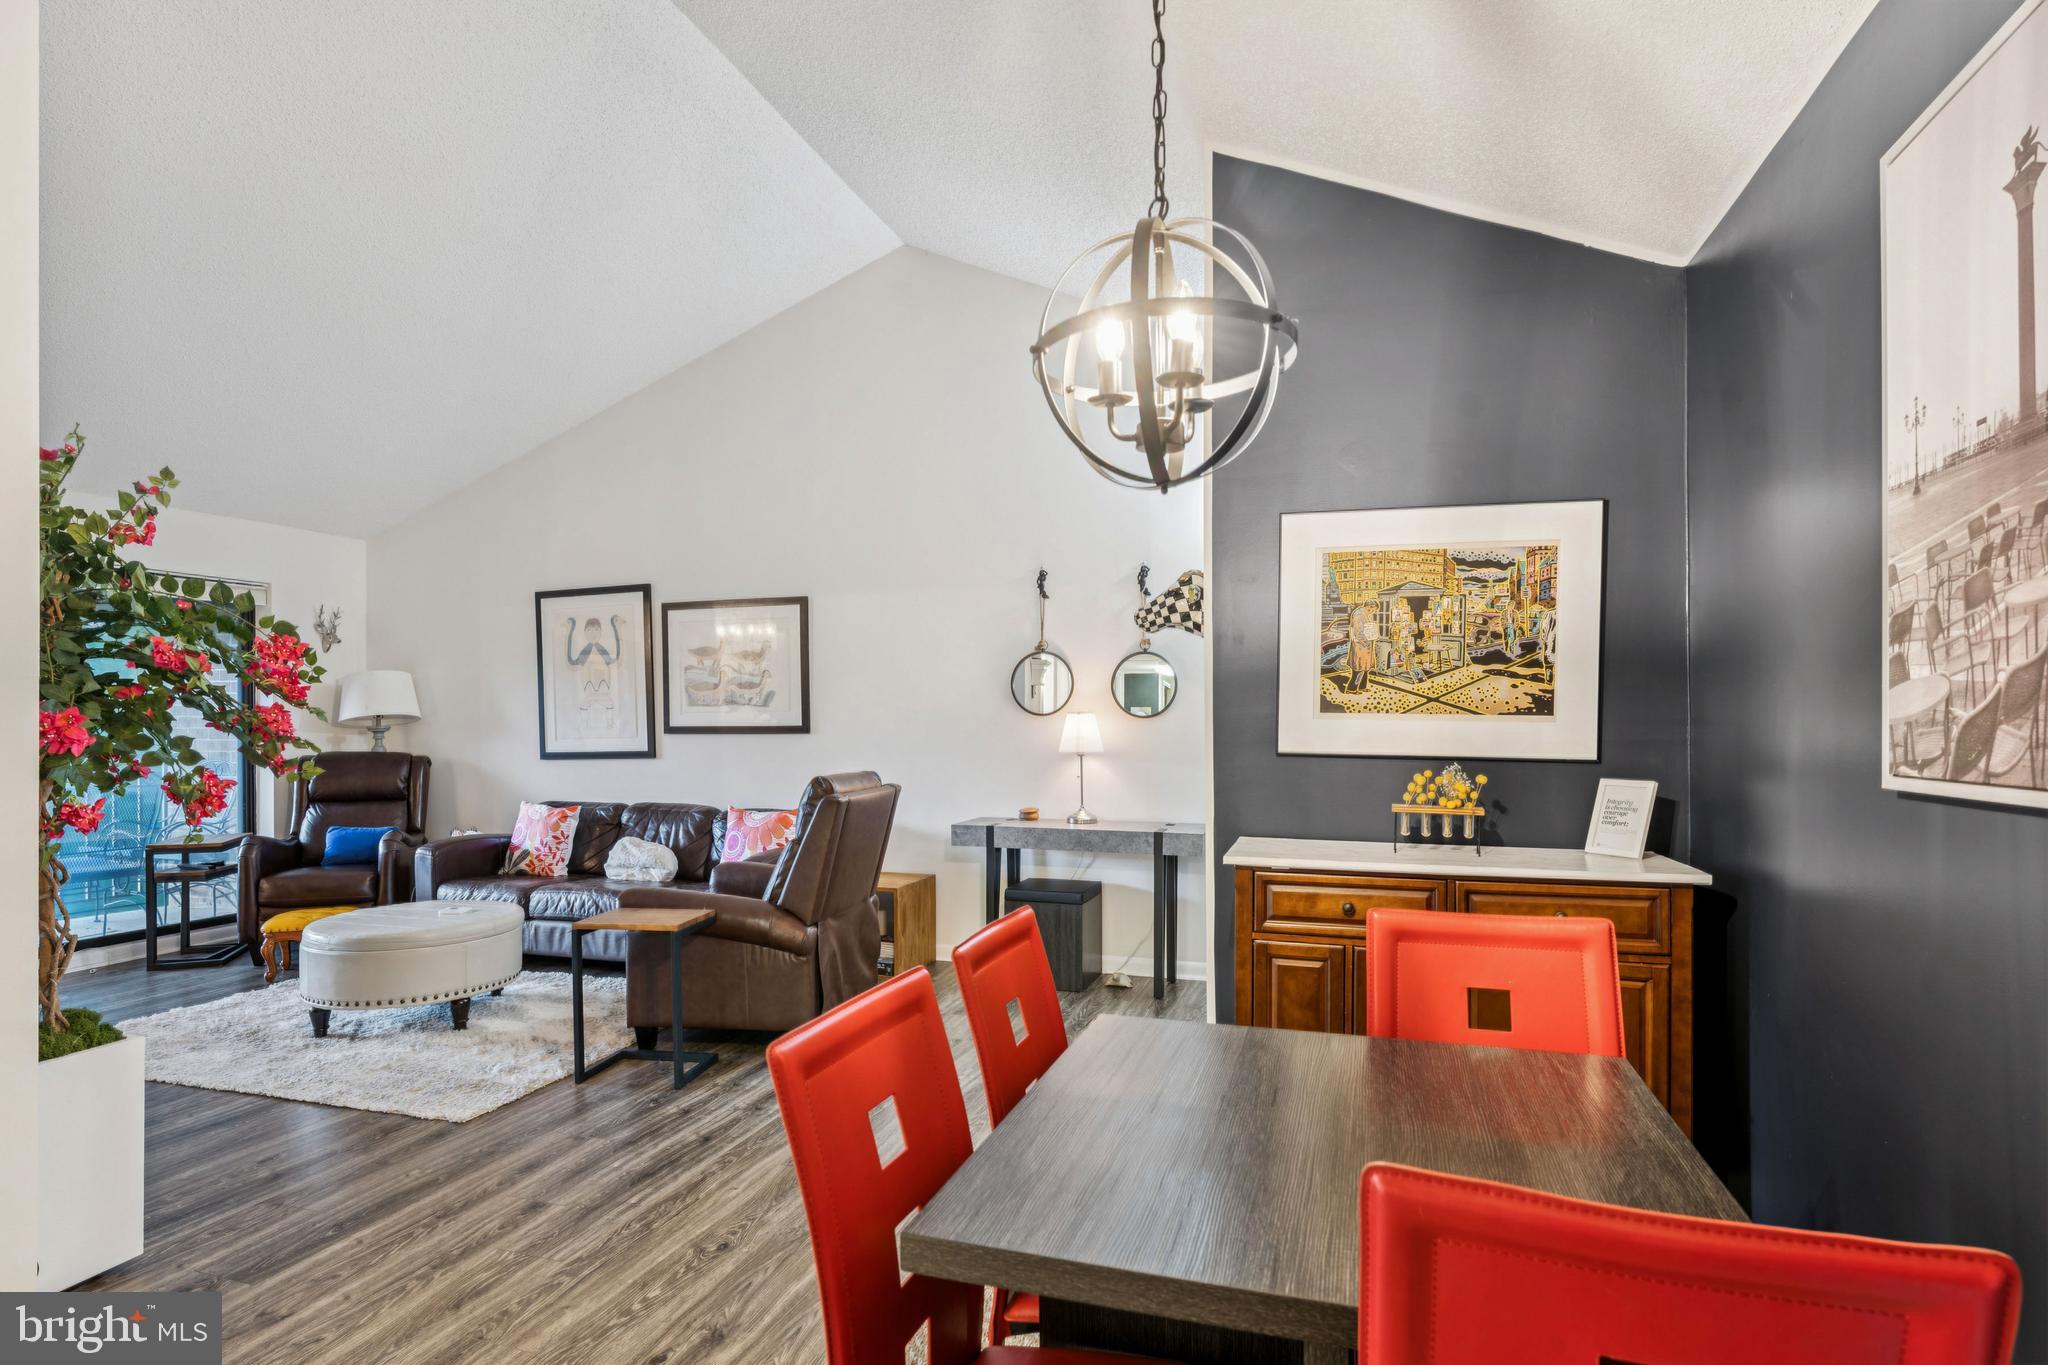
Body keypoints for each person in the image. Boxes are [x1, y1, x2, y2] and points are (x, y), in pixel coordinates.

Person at [1346, 604, 1377, 691]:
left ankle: (1362, 687)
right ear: (1369, 606)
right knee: (1359, 667)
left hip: (1366, 645)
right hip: (1360, 645)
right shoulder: (1359, 614)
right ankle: (1352, 689)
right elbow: (1357, 631)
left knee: (1365, 667)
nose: (1372, 612)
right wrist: (1367, 638)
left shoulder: (1365, 614)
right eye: (1372, 610)